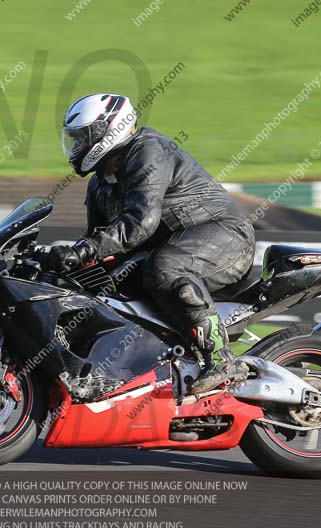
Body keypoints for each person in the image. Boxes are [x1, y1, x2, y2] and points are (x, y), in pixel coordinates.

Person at [45, 93, 256, 394]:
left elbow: (139, 222)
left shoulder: (147, 150)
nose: (77, 147)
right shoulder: (99, 184)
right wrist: (63, 259)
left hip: (223, 237)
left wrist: (83, 250)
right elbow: (100, 239)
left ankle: (221, 359)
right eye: (74, 140)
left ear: (108, 129)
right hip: (173, 244)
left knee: (165, 268)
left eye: (83, 138)